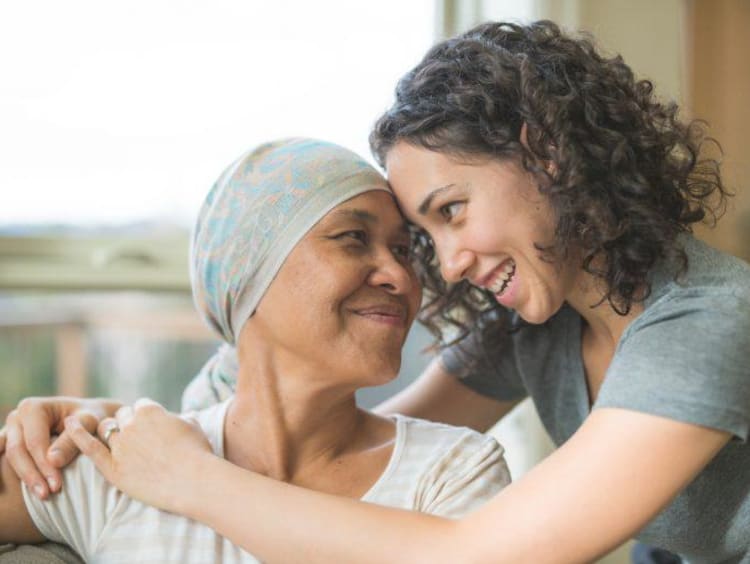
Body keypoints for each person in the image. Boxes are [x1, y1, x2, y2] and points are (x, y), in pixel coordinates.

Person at [2, 19, 749, 563]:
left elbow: (491, 555)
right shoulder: (541, 324)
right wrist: (113, 429)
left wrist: (191, 479)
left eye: (451, 212)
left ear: (545, 152)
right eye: (430, 236)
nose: (446, 267)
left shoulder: (708, 324)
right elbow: (331, 441)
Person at [0, 138, 511, 562]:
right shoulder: (118, 462)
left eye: (402, 250)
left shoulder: (455, 473)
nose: (400, 275)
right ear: (250, 275)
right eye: (354, 238)